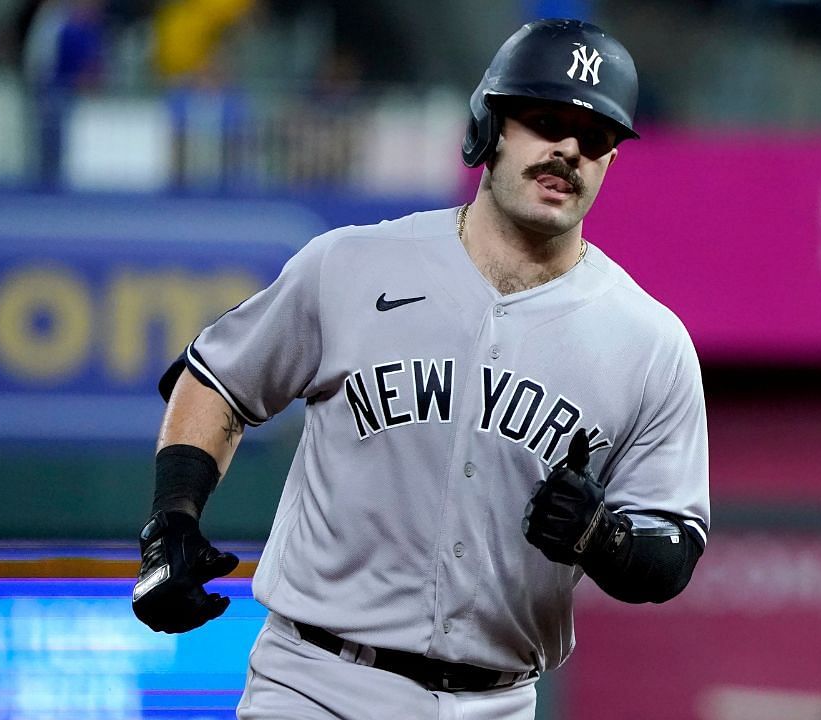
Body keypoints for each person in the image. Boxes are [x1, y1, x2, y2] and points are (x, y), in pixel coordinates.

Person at [131, 18, 709, 720]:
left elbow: (672, 548)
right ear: (488, 126)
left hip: (495, 701)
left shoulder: (648, 341)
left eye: (594, 137)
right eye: (544, 120)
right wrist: (172, 521)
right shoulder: (351, 264)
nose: (567, 150)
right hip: (316, 680)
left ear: (611, 160)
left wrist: (604, 536)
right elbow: (218, 380)